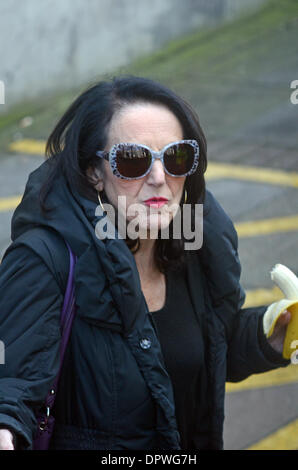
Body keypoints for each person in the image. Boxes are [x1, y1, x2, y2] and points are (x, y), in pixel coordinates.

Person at [0, 76, 291, 451]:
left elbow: (201, 354)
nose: (159, 178)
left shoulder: (194, 248)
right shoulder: (45, 260)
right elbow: (13, 384)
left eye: (177, 157)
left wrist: (271, 334)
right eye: (133, 160)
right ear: (94, 171)